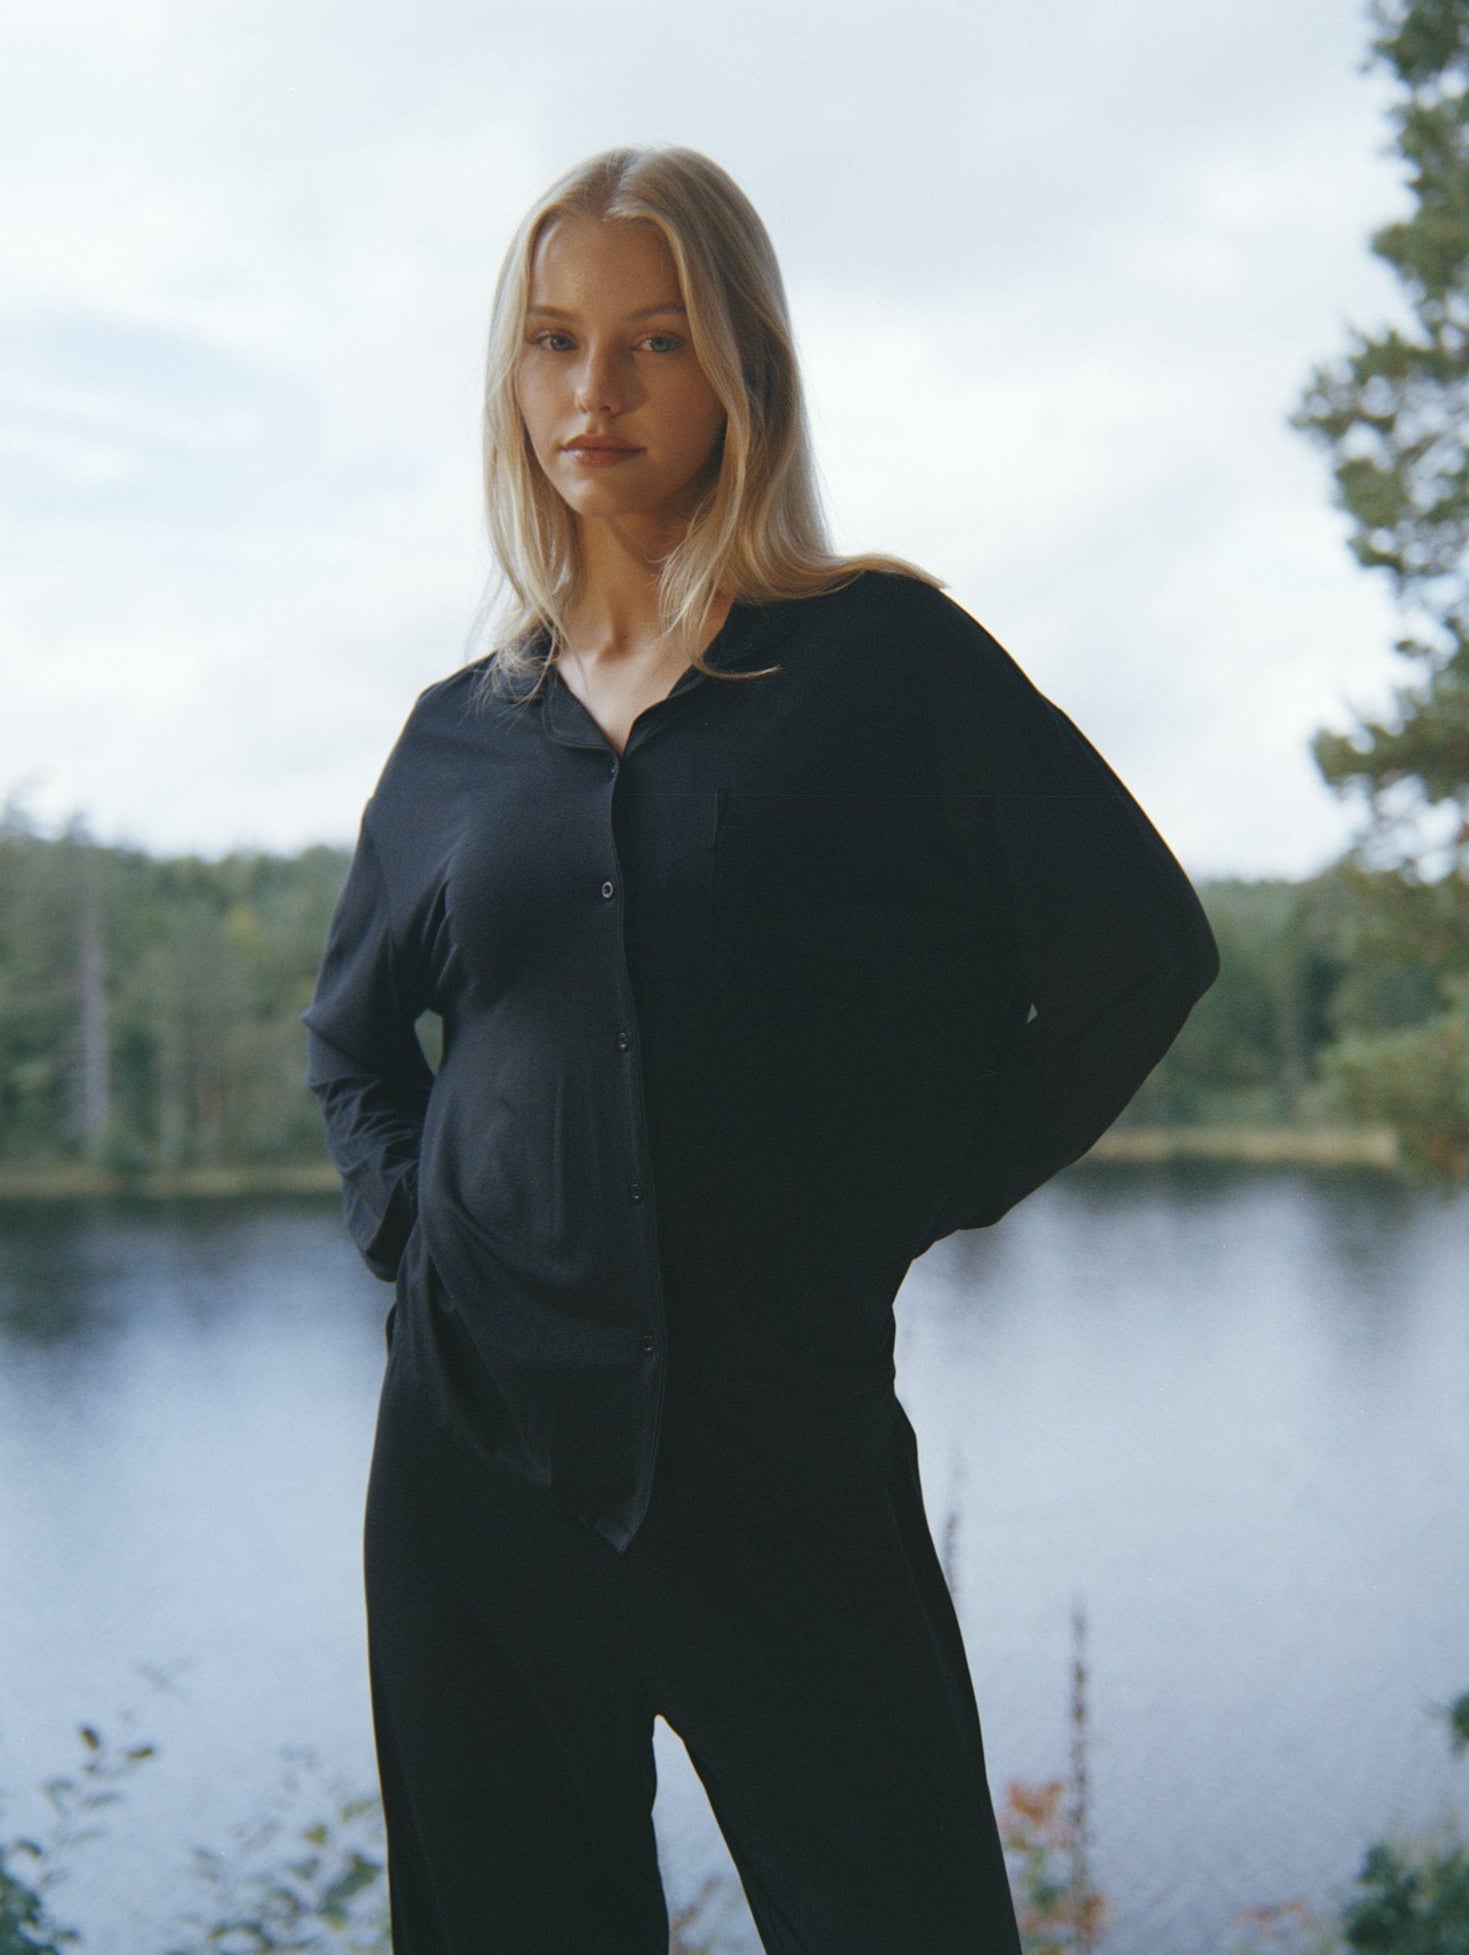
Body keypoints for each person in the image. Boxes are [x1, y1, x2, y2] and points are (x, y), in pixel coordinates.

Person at [303, 144, 1219, 1955]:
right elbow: (353, 1046)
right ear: (513, 376)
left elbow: (1136, 955)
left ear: (741, 371)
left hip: (785, 1463)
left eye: (654, 341)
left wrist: (896, 1196)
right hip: (475, 1479)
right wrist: (419, 1241)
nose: (596, 389)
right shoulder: (456, 736)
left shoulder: (881, 662)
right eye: (555, 341)